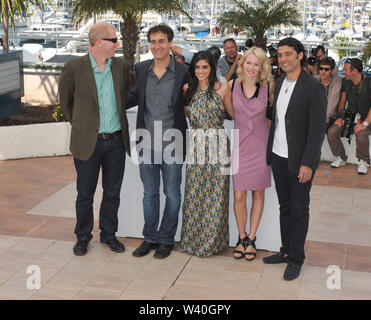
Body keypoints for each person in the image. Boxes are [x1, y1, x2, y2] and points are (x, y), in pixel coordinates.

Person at [59, 22, 131, 256]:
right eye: (113, 40)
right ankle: (82, 236)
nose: (116, 44)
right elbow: (65, 103)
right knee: (85, 192)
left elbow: (128, 94)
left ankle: (108, 235)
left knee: (112, 191)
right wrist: (82, 126)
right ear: (98, 41)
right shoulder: (74, 67)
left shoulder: (120, 66)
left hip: (116, 142)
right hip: (88, 141)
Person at [264, 37, 327, 281]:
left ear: (300, 55)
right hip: (278, 156)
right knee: (285, 206)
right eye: (280, 55)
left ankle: (296, 259)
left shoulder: (313, 87)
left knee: (299, 209)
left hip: (299, 160)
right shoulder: (279, 83)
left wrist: (308, 162)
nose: (283, 59)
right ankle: (286, 250)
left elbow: (317, 128)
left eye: (288, 54)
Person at [126, 24, 189, 259]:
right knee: (149, 194)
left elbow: (211, 70)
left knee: (172, 194)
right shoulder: (141, 69)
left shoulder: (183, 72)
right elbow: (132, 97)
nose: (157, 46)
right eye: (153, 41)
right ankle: (150, 237)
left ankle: (166, 239)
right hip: (146, 143)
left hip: (174, 144)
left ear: (171, 43)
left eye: (162, 41)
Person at [179, 51, 233, 257]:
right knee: (194, 195)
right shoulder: (187, 90)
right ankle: (191, 241)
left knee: (217, 196)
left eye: (205, 67)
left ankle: (212, 243)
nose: (201, 71)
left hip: (219, 144)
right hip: (196, 144)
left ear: (212, 68)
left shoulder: (223, 88)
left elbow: (234, 114)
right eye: (197, 67)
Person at [228, 47, 274, 261]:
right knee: (239, 194)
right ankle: (241, 236)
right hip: (240, 145)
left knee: (258, 193)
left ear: (262, 67)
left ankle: (252, 239)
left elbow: (276, 112)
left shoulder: (268, 86)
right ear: (242, 63)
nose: (252, 68)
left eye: (257, 64)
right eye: (249, 63)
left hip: (261, 145)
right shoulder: (231, 85)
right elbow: (227, 112)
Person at [327, 58, 371, 175]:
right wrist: (340, 117)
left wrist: (364, 124)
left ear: (355, 71)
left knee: (361, 134)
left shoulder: (369, 83)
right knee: (332, 131)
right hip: (350, 118)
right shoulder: (346, 82)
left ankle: (363, 161)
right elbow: (342, 101)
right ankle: (341, 157)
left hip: (368, 120)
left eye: (346, 70)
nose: (343, 71)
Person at [314, 57, 342, 132]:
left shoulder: (336, 80)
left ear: (332, 71)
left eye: (326, 69)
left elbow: (331, 104)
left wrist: (318, 120)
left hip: (328, 117)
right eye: (321, 68)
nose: (323, 71)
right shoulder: (314, 80)